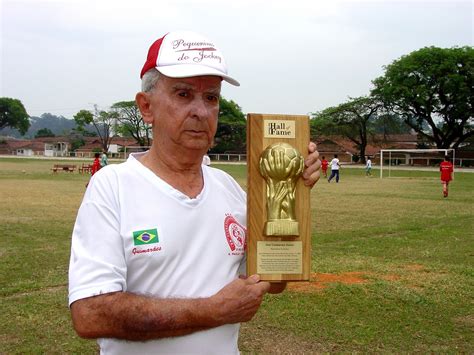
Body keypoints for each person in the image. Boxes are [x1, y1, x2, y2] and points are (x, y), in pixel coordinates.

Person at [68, 30, 321, 354]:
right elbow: (90, 313)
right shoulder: (113, 187)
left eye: (211, 97)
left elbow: (274, 280)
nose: (201, 111)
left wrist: (293, 192)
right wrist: (213, 310)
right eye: (184, 94)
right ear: (146, 107)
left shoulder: (229, 189)